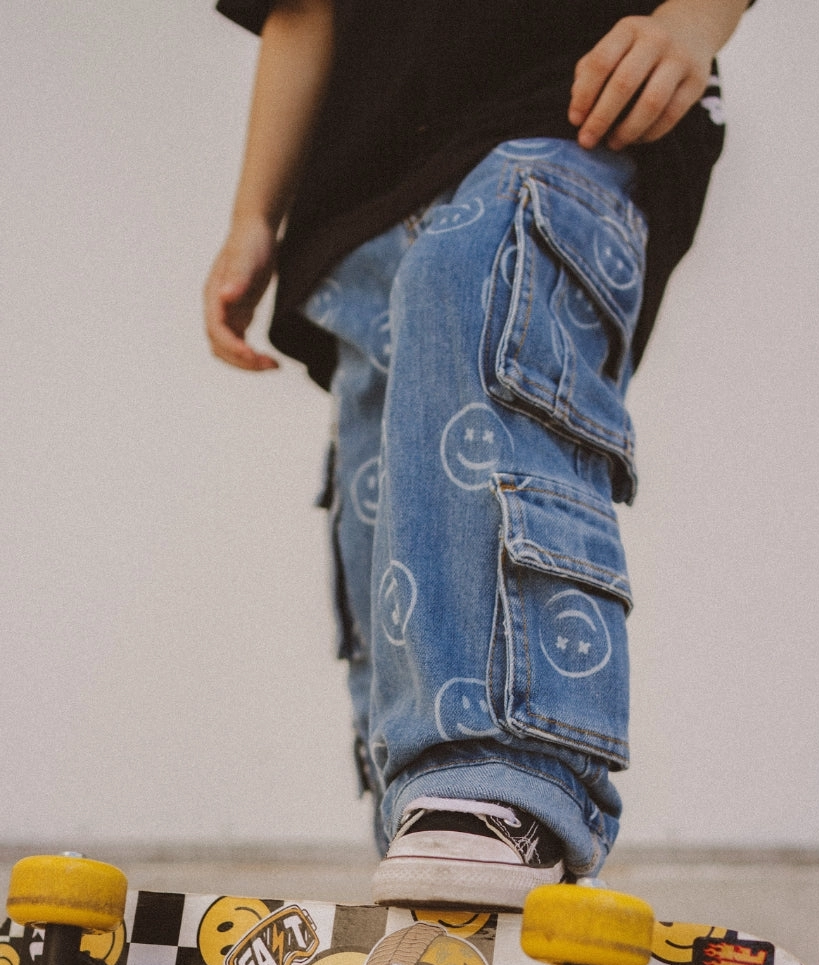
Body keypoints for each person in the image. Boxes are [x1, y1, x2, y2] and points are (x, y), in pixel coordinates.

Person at [204, 0, 752, 908]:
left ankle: (506, 789)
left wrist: (696, 21)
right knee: (392, 508)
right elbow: (299, 10)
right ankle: (430, 845)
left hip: (572, 105)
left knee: (477, 305)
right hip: (363, 197)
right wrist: (253, 214)